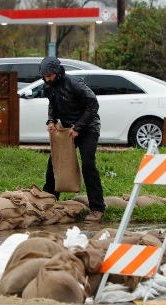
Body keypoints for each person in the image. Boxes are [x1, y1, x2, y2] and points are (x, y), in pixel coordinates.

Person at [39, 56, 106, 222]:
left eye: (50, 76)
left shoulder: (74, 84)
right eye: (45, 76)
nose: (47, 79)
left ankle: (97, 208)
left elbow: (93, 105)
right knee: (54, 162)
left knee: (88, 164)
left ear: (58, 72)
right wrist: (51, 120)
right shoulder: (49, 86)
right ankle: (50, 200)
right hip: (68, 129)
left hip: (88, 128)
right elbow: (53, 105)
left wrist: (79, 127)